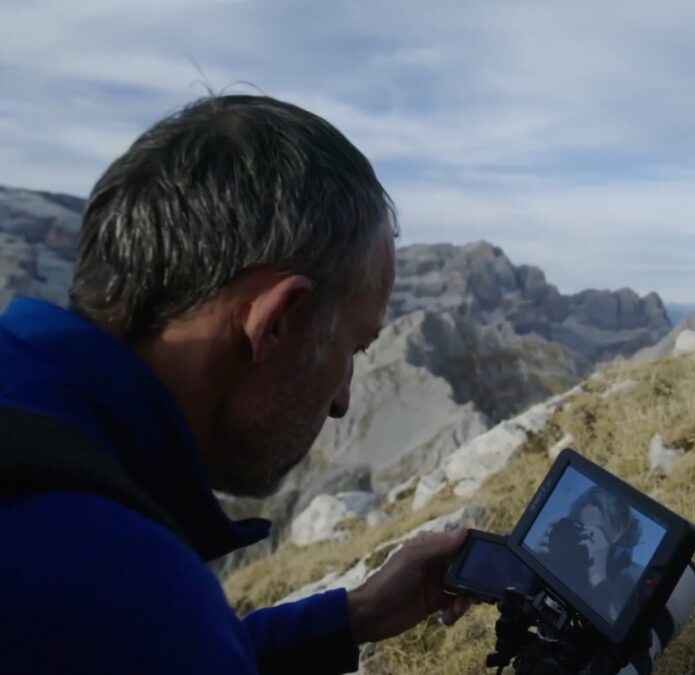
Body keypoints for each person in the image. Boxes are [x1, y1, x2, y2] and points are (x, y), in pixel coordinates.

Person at [0, 94, 473, 674]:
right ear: (275, 323)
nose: (344, 401)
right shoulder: (128, 595)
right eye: (353, 349)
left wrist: (355, 614)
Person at [538, 487, 644, 621]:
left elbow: (622, 629)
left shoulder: (633, 577)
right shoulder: (571, 563)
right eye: (579, 528)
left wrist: (598, 575)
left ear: (619, 531)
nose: (584, 539)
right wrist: (539, 562)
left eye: (594, 531)